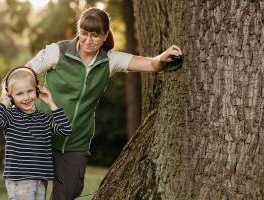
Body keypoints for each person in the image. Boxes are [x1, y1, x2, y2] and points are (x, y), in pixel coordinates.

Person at [26, 7, 183, 200]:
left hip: (76, 142)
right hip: (42, 133)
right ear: (78, 30)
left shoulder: (109, 60)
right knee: (30, 193)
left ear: (105, 35)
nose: (88, 40)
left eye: (95, 35)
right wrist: (7, 96)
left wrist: (162, 57)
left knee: (67, 194)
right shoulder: (57, 52)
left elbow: (150, 64)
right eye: (84, 33)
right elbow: (25, 73)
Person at [0, 66, 72, 200]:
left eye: (30, 91)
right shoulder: (10, 117)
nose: (26, 97)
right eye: (19, 94)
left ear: (37, 91)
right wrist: (4, 103)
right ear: (11, 96)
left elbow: (65, 129)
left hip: (41, 177)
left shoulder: (44, 119)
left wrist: (51, 103)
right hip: (20, 177)